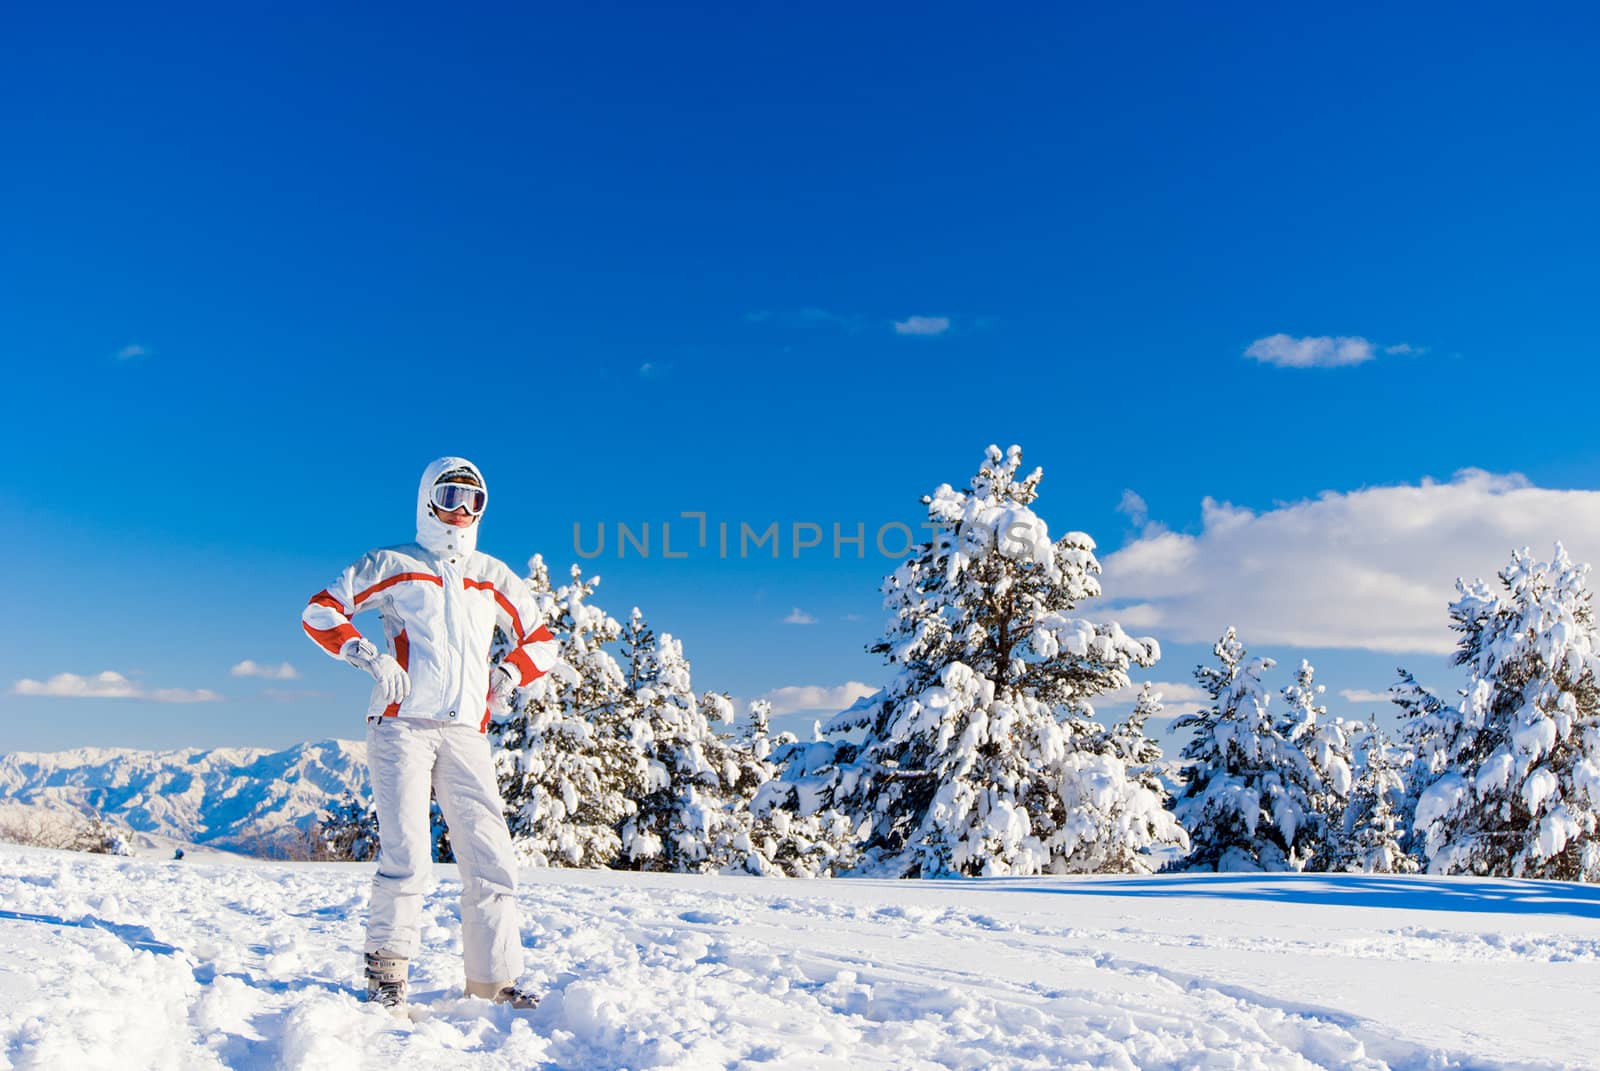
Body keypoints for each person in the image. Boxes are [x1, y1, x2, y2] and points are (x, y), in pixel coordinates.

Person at [300, 457, 557, 1014]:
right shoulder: (394, 563)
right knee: (408, 855)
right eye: (449, 496)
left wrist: (508, 672)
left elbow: (541, 638)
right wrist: (364, 653)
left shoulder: (492, 575)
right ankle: (387, 976)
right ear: (427, 501)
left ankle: (494, 982)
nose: (460, 511)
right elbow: (320, 610)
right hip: (401, 727)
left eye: (472, 501)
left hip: (467, 730)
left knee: (492, 858)